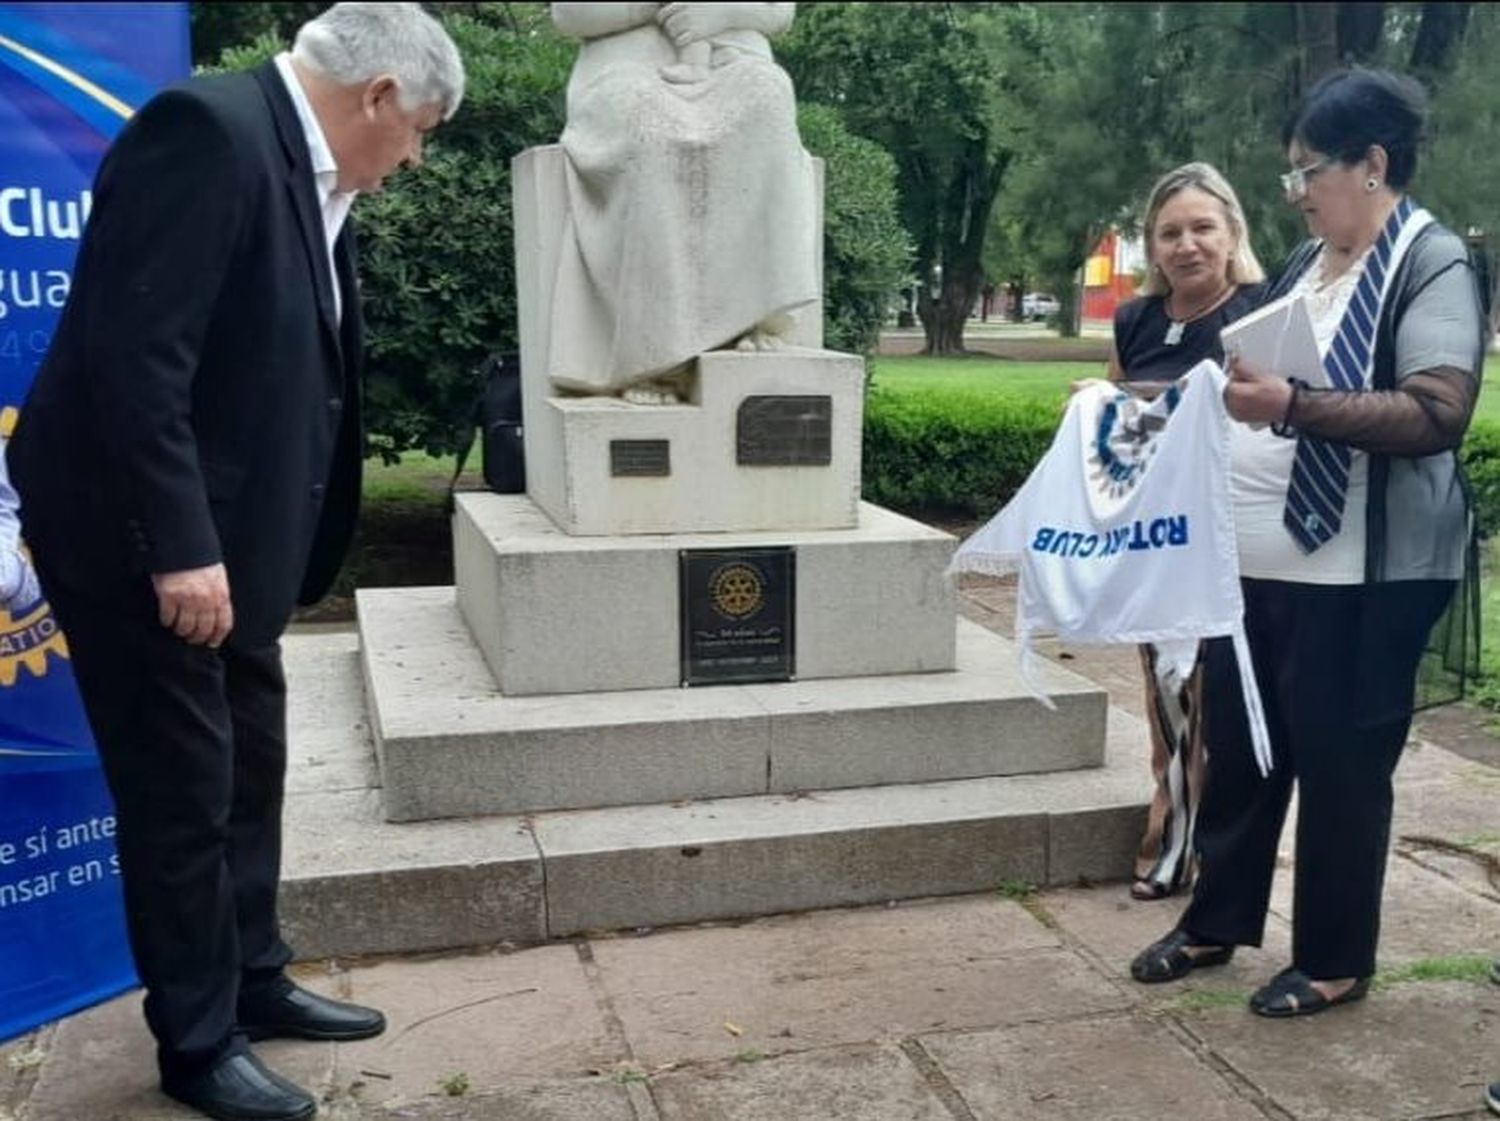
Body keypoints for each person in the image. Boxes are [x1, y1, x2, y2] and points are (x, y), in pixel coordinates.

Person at [6, 6, 464, 1120]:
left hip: (234, 546)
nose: (416, 158)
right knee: (181, 795)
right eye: (422, 131)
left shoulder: (315, 172)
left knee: (249, 768)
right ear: (378, 97)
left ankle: (254, 978)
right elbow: (133, 366)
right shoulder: (204, 133)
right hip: (145, 547)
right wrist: (180, 552)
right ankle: (198, 1042)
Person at [1130, 68, 1484, 1019]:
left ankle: (1333, 958)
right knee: (1242, 754)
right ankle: (1214, 921)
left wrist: (1291, 404)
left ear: (1372, 165)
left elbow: (1435, 413)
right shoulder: (1306, 263)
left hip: (1363, 573)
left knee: (1340, 767)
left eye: (1309, 172)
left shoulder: (1431, 262)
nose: (1298, 192)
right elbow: (1241, 370)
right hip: (1252, 561)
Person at [1106, 162, 1266, 902]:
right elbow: (1115, 418)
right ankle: (1172, 817)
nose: (1186, 244)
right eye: (1169, 232)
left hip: (1227, 533)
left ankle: (1183, 836)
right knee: (1163, 690)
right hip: (1151, 532)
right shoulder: (1136, 319)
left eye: (1203, 227)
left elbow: (1257, 416)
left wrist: (1139, 400)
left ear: (1232, 233)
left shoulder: (1259, 311)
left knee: (1207, 693)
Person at [547, 1, 818, 398]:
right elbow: (571, 13)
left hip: (732, 60)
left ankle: (751, 316)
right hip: (625, 70)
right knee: (650, 125)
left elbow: (779, 11)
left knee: (768, 98)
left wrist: (723, 13)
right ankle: (656, 354)